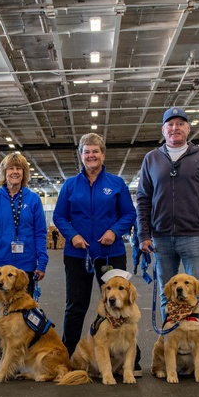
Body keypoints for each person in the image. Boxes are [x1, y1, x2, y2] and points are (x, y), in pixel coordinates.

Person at [136, 107, 199, 362]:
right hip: (160, 238)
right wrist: (143, 234)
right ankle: (172, 353)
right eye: (170, 125)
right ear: (163, 130)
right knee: (167, 296)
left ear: (188, 129)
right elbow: (143, 200)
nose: (175, 128)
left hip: (193, 235)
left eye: (180, 124)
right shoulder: (151, 159)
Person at [53, 132, 136, 356]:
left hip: (111, 254)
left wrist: (114, 231)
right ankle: (66, 354)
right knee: (75, 306)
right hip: (77, 255)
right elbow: (59, 217)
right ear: (81, 156)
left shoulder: (117, 184)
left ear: (103, 155)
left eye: (95, 152)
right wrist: (73, 236)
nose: (91, 156)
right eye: (87, 152)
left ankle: (126, 355)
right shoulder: (70, 185)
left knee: (119, 304)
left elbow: (129, 214)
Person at [0, 153, 48, 297]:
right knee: (3, 313)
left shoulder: (33, 199)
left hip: (26, 265)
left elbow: (40, 233)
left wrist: (42, 262)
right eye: (10, 168)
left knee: (26, 311)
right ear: (4, 173)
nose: (15, 172)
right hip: (1, 264)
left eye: (19, 168)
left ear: (24, 173)